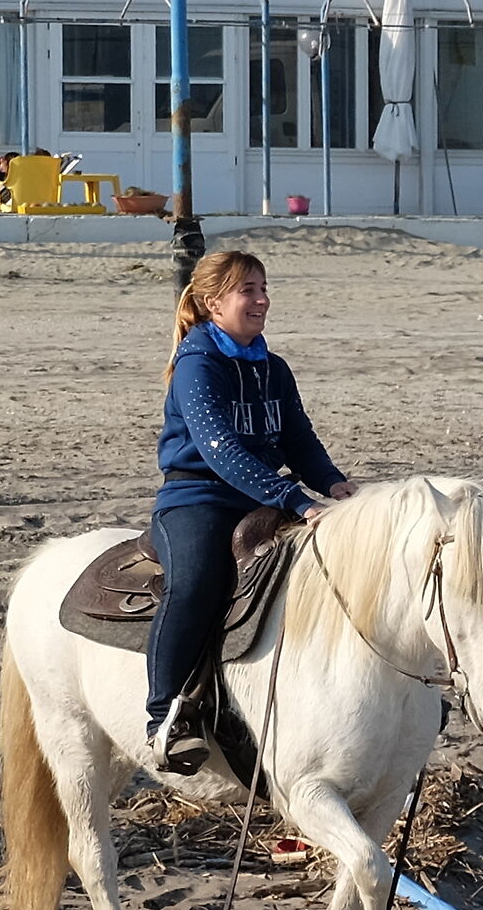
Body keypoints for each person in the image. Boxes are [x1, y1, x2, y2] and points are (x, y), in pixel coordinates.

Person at [145, 250, 355, 774]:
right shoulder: (197, 364)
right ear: (214, 303)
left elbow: (298, 438)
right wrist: (298, 501)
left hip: (263, 498)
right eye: (248, 290)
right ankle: (165, 718)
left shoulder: (273, 368)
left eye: (263, 288)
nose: (261, 300)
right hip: (198, 500)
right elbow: (221, 451)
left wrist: (334, 483)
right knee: (195, 584)